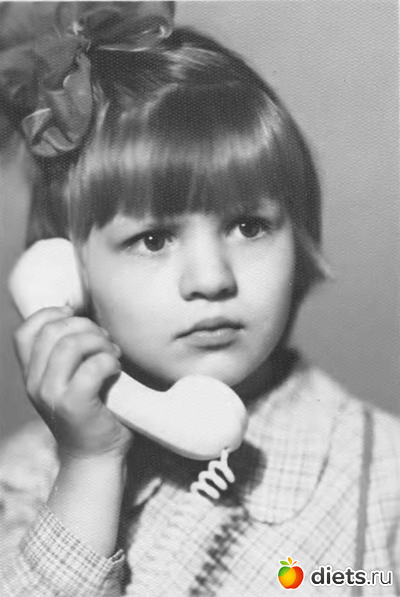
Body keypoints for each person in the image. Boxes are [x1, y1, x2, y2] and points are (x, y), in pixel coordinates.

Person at [0, 2, 399, 595]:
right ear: (66, 271)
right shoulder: (22, 480)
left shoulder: (382, 482)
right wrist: (90, 466)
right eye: (153, 239)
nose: (211, 279)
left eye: (249, 227)